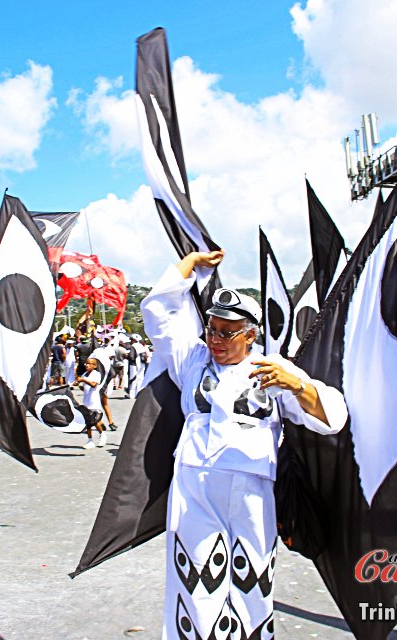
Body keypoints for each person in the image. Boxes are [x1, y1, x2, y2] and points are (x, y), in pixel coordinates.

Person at [142, 250, 346, 638]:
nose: (215, 340)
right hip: (195, 484)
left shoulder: (274, 368)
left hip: (253, 487)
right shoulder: (192, 359)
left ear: (250, 335)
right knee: (195, 579)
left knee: (251, 577)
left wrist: (297, 386)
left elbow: (333, 418)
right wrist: (190, 262)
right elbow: (157, 311)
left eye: (226, 332)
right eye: (211, 329)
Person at [76, 357, 107, 449]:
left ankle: (102, 434)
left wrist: (83, 380)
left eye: (89, 364)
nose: (86, 365)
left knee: (95, 421)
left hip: (94, 401)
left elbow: (94, 385)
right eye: (86, 363)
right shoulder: (85, 374)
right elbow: (83, 387)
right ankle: (90, 440)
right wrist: (79, 383)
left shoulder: (96, 374)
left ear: (95, 366)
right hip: (86, 400)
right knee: (88, 422)